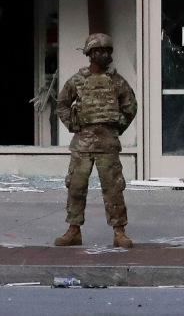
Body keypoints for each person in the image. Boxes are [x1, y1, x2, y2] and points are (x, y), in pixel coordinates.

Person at [54, 33, 138, 248]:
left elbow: (130, 107)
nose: (102, 54)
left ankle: (119, 232)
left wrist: (117, 127)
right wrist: (72, 125)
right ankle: (73, 230)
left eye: (106, 50)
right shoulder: (77, 80)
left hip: (107, 145)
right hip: (82, 144)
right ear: (89, 54)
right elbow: (62, 103)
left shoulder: (117, 81)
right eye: (98, 51)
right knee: (76, 187)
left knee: (113, 189)